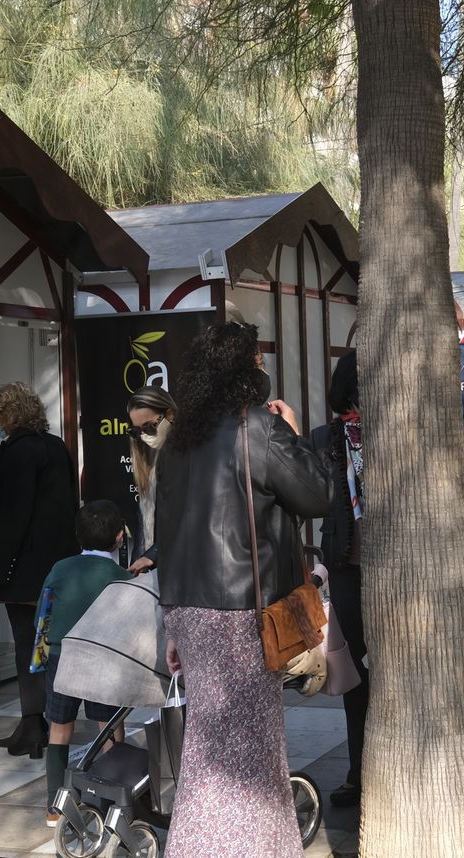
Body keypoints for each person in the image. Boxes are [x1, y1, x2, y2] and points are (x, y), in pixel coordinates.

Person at [153, 322, 330, 858]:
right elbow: (317, 494)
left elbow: (167, 532)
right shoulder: (256, 427)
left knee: (212, 750)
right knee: (246, 757)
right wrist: (294, 431)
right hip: (240, 610)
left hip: (190, 609)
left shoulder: (177, 442)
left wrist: (173, 622)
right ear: (246, 371)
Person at [0, 382, 79, 759]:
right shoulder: (56, 447)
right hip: (56, 563)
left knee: (27, 641)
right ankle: (48, 719)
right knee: (51, 642)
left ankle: (33, 720)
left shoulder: (17, 452)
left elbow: (13, 514)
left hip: (22, 566)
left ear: (10, 414)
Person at [39, 500, 132, 821]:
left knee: (59, 729)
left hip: (62, 657)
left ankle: (54, 806)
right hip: (104, 661)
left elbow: (44, 614)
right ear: (120, 537)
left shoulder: (60, 569)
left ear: (77, 535)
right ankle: (111, 804)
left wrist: (39, 658)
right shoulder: (121, 576)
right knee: (108, 731)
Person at [307, 350, 370, 808]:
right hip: (347, 565)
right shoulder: (324, 438)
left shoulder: (399, 429)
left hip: (399, 567)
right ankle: (358, 771)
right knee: (355, 673)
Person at [125, 386, 177, 574]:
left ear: (169, 415)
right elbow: (143, 530)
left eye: (149, 426)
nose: (144, 436)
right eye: (136, 431)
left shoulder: (187, 456)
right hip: (151, 571)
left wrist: (153, 554)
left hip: (179, 568)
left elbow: (190, 517)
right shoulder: (146, 461)